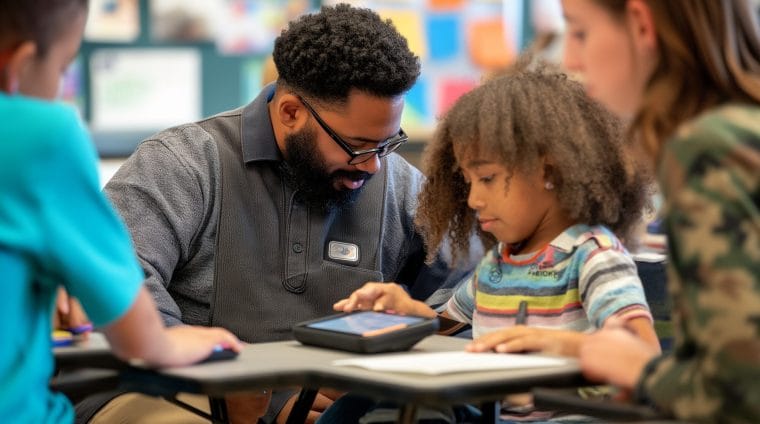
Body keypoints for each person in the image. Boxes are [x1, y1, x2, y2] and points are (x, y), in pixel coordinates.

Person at [80, 4, 475, 423]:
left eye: (386, 144)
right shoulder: (182, 164)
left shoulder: (397, 186)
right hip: (182, 394)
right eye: (357, 145)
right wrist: (255, 392)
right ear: (290, 112)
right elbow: (111, 288)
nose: (373, 165)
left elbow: (467, 300)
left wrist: (418, 327)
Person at [330, 64, 660, 422]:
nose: (473, 200)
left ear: (549, 171)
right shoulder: (497, 265)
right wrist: (407, 311)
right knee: (365, 403)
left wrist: (563, 345)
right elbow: (444, 326)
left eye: (487, 178)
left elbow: (642, 354)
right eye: (468, 182)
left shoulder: (594, 255)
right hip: (496, 416)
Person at [0, 1, 243, 422]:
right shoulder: (40, 133)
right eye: (62, 69)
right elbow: (140, 341)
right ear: (16, 64)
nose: (60, 87)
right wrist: (181, 341)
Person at [561, 0, 760, 422]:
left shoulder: (708, 147)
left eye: (580, 32)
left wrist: (643, 373)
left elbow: (740, 392)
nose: (569, 59)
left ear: (640, 24)